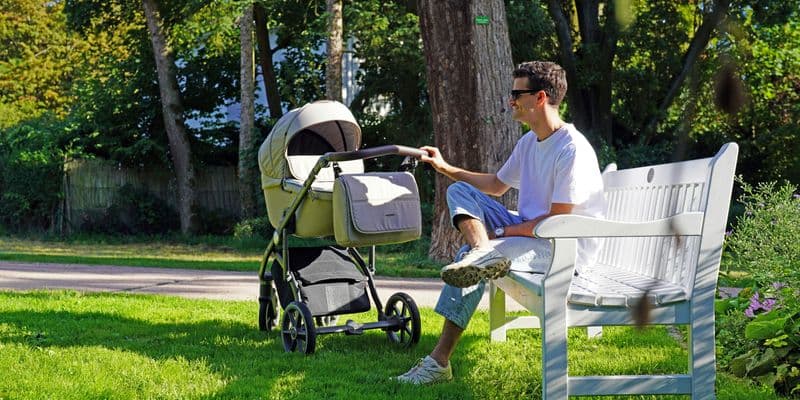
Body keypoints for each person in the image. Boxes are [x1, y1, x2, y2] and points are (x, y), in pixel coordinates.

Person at [394, 61, 606, 384]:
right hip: (534, 234)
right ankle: (482, 251)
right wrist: (444, 167)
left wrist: (505, 231)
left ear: (540, 97)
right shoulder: (528, 143)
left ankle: (438, 363)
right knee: (459, 191)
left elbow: (559, 221)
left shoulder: (571, 148)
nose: (511, 100)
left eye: (517, 94)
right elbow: (495, 185)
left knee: (469, 259)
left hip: (564, 248)